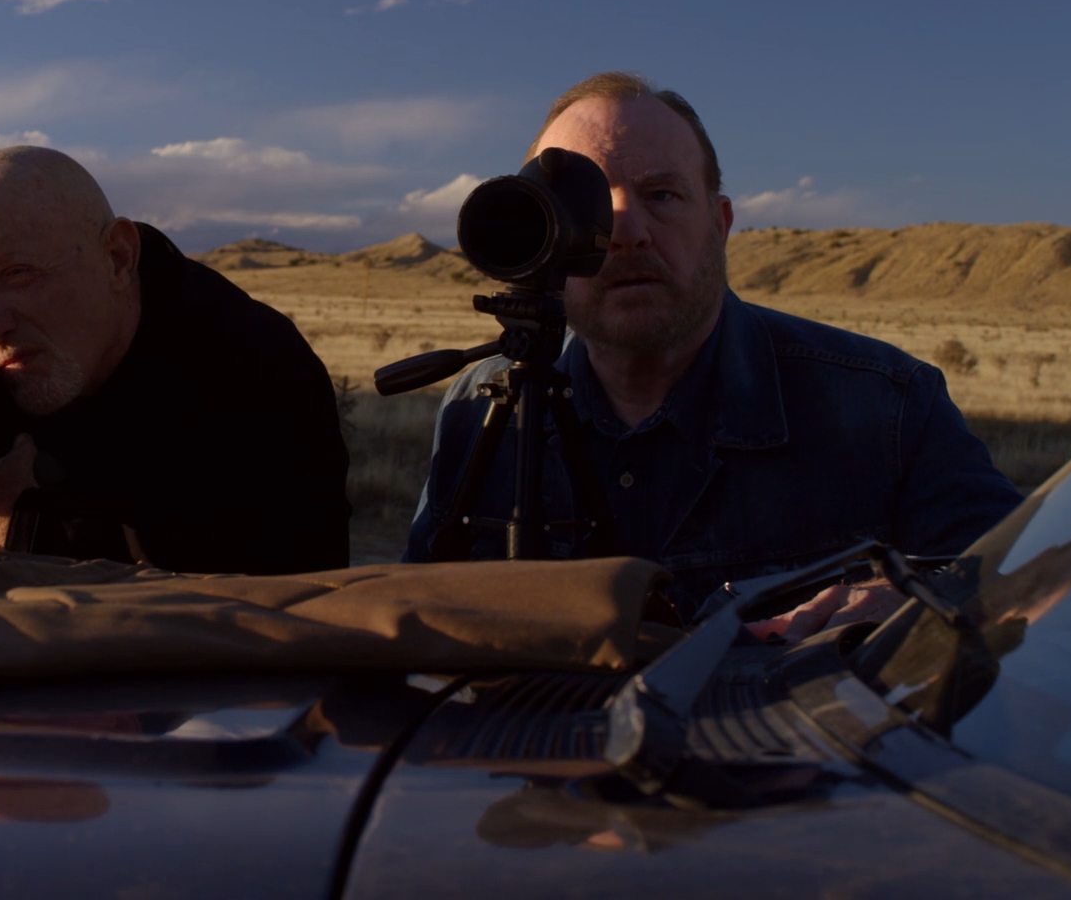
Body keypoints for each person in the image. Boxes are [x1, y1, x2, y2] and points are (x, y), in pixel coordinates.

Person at [405, 72, 1022, 628]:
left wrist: (914, 602)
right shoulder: (484, 406)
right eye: (588, 205)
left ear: (720, 224)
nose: (627, 232)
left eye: (661, 195)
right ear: (541, 234)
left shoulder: (885, 406)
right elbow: (411, 618)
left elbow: (1033, 578)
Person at [0, 145, 351, 574]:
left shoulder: (253, 365)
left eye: (17, 274)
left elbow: (280, 600)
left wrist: (14, 535)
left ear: (118, 258)